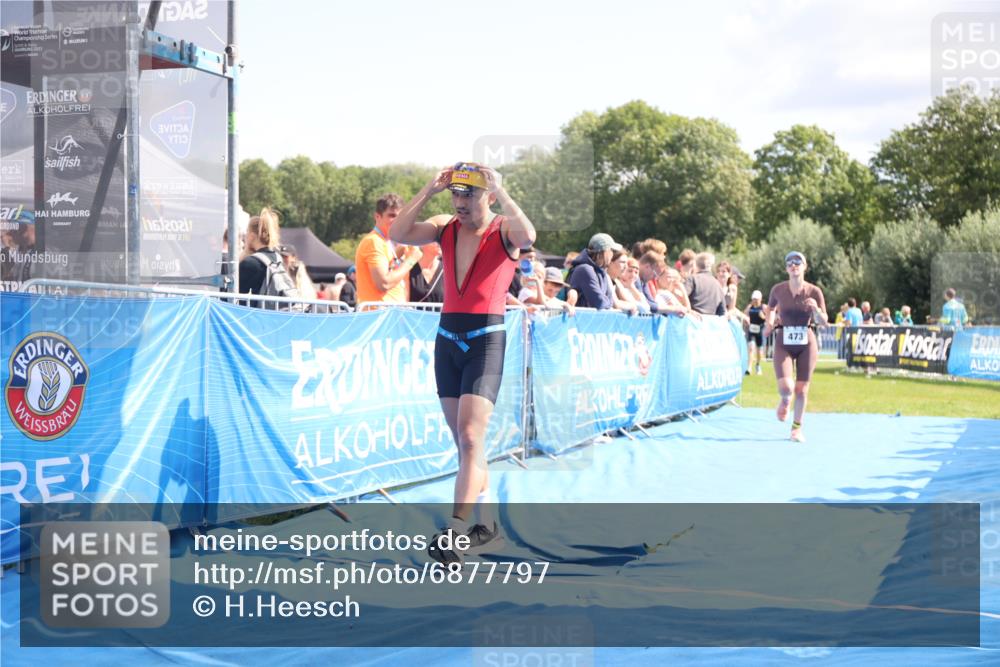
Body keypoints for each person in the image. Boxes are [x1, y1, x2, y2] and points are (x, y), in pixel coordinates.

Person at [390, 162, 535, 565]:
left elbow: (529, 235)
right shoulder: (443, 225)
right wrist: (427, 190)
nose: (460, 202)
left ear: (486, 195)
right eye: (455, 194)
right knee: (465, 445)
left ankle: (455, 533)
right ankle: (486, 528)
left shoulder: (504, 228)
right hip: (447, 338)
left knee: (471, 438)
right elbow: (397, 233)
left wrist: (502, 190)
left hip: (486, 339)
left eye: (468, 194)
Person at [762, 251, 828, 443]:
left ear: (805, 266)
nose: (794, 265)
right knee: (786, 387)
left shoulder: (814, 291)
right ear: (786, 268)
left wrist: (815, 309)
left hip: (806, 342)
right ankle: (785, 400)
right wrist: (769, 324)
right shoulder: (778, 289)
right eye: (790, 262)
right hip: (784, 339)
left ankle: (796, 429)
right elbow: (771, 309)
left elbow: (823, 321)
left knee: (802, 389)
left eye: (798, 262)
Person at [355, 193, 423, 307]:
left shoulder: (386, 242)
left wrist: (396, 257)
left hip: (390, 316)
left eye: (400, 216)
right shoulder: (374, 242)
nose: (396, 220)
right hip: (379, 317)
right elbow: (384, 284)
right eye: (391, 215)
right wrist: (411, 260)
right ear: (377, 216)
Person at [238, 207, 287, 306]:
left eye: (246, 232)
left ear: (252, 236)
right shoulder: (277, 258)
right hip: (277, 315)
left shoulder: (250, 263)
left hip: (257, 317)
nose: (245, 236)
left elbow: (234, 298)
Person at [568, 233, 621, 310]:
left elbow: (609, 301)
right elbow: (600, 303)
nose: (612, 254)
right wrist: (609, 303)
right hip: (580, 321)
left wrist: (608, 303)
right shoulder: (585, 270)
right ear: (604, 252)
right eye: (611, 250)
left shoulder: (602, 271)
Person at [686, 252, 726, 316]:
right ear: (710, 266)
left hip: (692, 321)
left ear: (695, 265)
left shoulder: (692, 279)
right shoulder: (717, 284)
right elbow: (722, 311)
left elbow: (682, 297)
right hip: (710, 323)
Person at [744, 290, 766, 375]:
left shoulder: (763, 307)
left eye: (757, 299)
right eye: (754, 299)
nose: (755, 301)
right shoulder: (750, 307)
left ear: (760, 299)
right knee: (751, 348)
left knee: (759, 351)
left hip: (760, 331)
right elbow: (745, 315)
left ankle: (758, 365)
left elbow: (768, 317)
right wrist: (746, 320)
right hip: (751, 330)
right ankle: (749, 368)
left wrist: (763, 316)